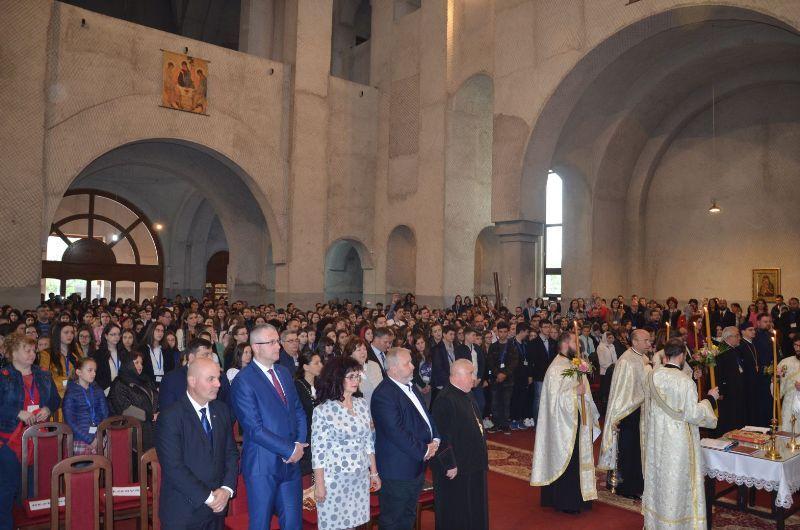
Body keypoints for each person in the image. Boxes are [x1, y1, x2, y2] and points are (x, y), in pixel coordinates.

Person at [230, 324, 308, 530]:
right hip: (262, 465)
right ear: (256, 347)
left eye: (277, 341)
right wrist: (289, 449)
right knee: (261, 524)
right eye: (272, 342)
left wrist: (299, 443)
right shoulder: (243, 381)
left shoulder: (283, 372)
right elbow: (254, 429)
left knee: (293, 524)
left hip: (291, 463)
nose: (278, 346)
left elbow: (298, 411)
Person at [642, 339, 719, 529]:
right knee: (677, 479)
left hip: (658, 436)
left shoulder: (653, 375)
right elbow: (693, 414)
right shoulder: (685, 381)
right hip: (678, 440)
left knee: (660, 476)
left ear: (665, 354)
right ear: (682, 355)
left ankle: (657, 522)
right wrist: (710, 399)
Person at [156, 357, 239, 530]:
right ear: (192, 381)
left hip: (216, 510)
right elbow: (174, 468)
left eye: (218, 378)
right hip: (183, 512)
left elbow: (231, 453)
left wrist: (226, 489)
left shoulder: (221, 410)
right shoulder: (171, 417)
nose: (218, 384)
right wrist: (210, 498)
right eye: (211, 379)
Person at [531, 331, 600, 514]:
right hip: (564, 425)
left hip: (577, 420)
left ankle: (581, 496)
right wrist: (574, 392)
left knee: (578, 459)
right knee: (569, 460)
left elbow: (583, 388)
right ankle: (567, 501)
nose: (579, 346)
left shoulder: (573, 363)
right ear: (565, 344)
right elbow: (553, 401)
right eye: (576, 342)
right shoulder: (556, 368)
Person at [371, 347, 440, 530]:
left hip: (415, 465)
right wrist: (424, 450)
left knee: (408, 516)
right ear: (393, 368)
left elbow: (426, 416)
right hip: (397, 471)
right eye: (407, 363)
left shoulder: (409, 386)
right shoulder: (384, 394)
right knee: (393, 520)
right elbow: (396, 432)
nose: (413, 366)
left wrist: (436, 438)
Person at [312, 356, 380, 530]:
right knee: (335, 525)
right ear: (337, 378)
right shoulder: (323, 410)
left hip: (359, 477)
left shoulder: (361, 404)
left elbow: (368, 442)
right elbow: (318, 452)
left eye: (357, 376)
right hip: (334, 479)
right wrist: (320, 484)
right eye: (351, 376)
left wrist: (374, 473)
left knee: (354, 525)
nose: (356, 380)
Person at [0, 334, 60, 530]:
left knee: (34, 489)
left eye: (33, 350)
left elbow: (55, 399)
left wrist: (48, 408)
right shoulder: (3, 376)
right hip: (9, 440)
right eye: (26, 350)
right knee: (7, 489)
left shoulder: (43, 374)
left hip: (38, 438)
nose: (32, 354)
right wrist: (17, 412)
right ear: (12, 353)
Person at [430, 359, 489, 530]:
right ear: (456, 375)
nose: (474, 378)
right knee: (457, 510)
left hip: (473, 463)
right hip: (457, 467)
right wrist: (449, 463)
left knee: (474, 507)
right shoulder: (445, 399)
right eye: (470, 374)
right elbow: (440, 435)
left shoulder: (466, 393)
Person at [598, 328, 652, 500]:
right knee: (628, 450)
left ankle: (637, 484)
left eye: (649, 340)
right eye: (646, 340)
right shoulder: (626, 361)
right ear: (635, 342)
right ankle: (626, 487)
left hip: (639, 411)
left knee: (637, 449)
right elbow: (622, 392)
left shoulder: (642, 358)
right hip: (627, 413)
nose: (649, 343)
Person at [160, 338, 232, 411]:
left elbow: (228, 408)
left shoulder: (221, 377)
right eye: (205, 355)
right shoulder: (172, 379)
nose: (210, 358)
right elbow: (168, 412)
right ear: (191, 358)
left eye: (211, 354)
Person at [109, 351, 159, 450]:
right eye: (136, 362)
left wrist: (157, 411)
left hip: (151, 428)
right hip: (132, 432)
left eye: (141, 363)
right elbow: (125, 409)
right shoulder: (119, 383)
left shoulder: (145, 379)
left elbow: (154, 397)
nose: (140, 366)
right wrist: (150, 416)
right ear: (128, 364)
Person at [63, 357, 109, 455]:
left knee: (104, 460)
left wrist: (99, 436)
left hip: (99, 435)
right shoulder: (71, 393)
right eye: (90, 370)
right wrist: (90, 440)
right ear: (79, 372)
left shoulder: (98, 390)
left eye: (95, 371)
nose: (94, 374)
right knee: (86, 463)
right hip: (79, 438)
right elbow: (70, 421)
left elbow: (104, 414)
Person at [714, 326, 747, 436]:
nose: (739, 338)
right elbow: (718, 372)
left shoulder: (734, 350)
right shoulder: (721, 352)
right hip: (727, 391)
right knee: (728, 417)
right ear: (728, 337)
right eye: (737, 336)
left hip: (736, 388)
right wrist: (720, 391)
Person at [487, 321, 517, 434]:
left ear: (508, 332)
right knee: (495, 403)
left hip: (508, 380)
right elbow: (490, 362)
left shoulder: (512, 346)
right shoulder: (493, 346)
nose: (503, 334)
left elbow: (514, 362)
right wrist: (497, 374)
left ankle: (505, 425)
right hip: (495, 379)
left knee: (506, 403)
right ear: (497, 333)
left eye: (505, 332)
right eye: (500, 332)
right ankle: (496, 424)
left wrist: (504, 374)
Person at [295, 352, 322, 476]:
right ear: (306, 367)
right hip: (306, 436)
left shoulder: (321, 384)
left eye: (320, 362)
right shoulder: (297, 386)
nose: (321, 365)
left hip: (321, 435)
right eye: (316, 363)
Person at [346, 337, 383, 404]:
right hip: (360, 406)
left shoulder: (374, 365)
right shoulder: (348, 371)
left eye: (364, 349)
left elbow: (382, 388)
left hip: (380, 404)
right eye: (359, 350)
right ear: (350, 354)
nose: (363, 352)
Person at [93, 323, 126, 395]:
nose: (117, 337)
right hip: (106, 391)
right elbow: (97, 376)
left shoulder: (124, 352)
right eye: (113, 334)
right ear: (106, 336)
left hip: (124, 390)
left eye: (118, 334)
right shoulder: (98, 354)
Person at [139, 322, 172, 386]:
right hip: (148, 384)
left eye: (162, 331)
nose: (160, 333)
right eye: (157, 330)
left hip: (165, 383)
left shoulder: (167, 349)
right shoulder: (142, 349)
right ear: (151, 331)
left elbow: (171, 368)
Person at [778, 337, 800, 432]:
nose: (798, 348)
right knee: (788, 428)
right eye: (796, 345)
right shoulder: (785, 363)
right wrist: (775, 379)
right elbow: (777, 385)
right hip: (789, 402)